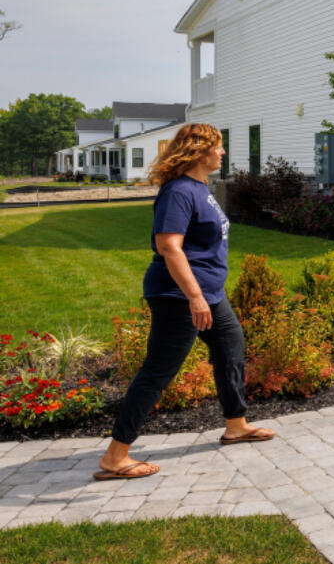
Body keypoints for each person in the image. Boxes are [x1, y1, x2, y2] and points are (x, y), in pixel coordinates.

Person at [94, 124, 274, 480]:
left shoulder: (199, 188)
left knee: (231, 348)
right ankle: (116, 456)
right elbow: (168, 247)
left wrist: (207, 293)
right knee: (158, 372)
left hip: (209, 293)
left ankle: (236, 425)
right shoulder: (178, 192)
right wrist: (194, 297)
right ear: (200, 151)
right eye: (218, 147)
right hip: (178, 295)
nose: (222, 153)